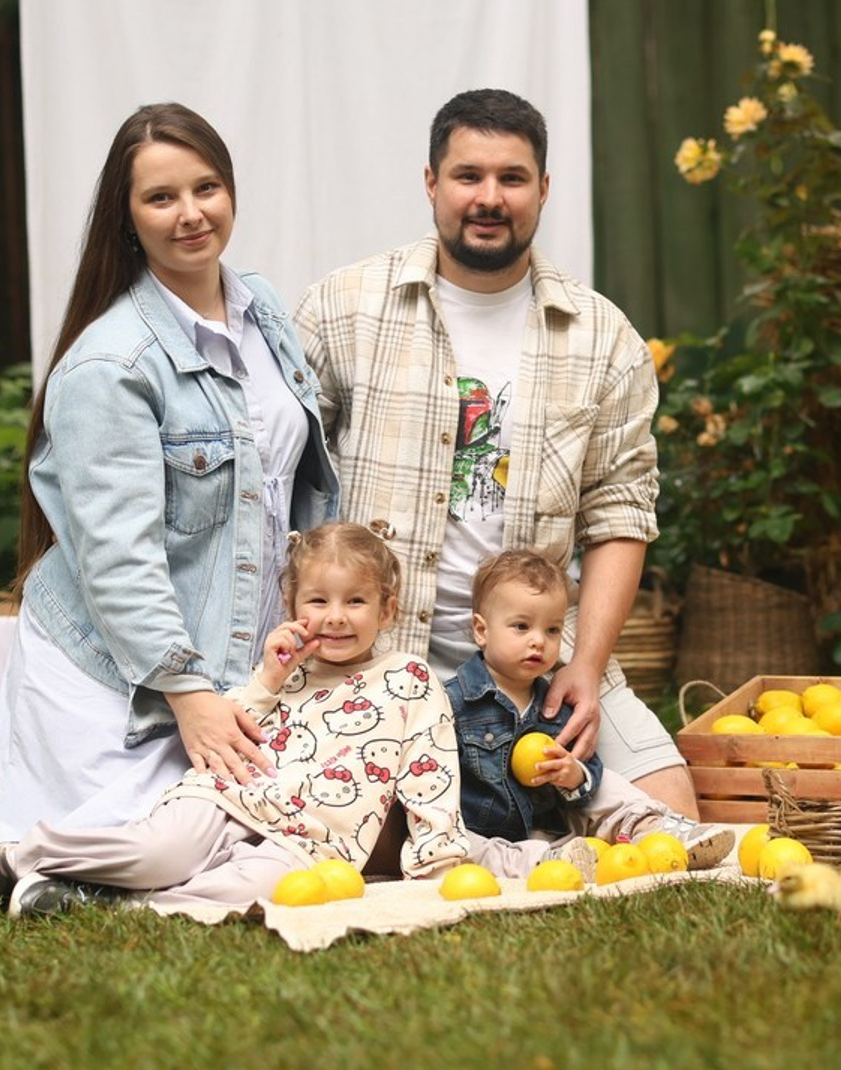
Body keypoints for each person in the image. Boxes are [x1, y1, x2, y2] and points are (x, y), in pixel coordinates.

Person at [294, 87, 698, 817]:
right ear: (430, 183)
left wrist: (586, 664)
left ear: (543, 189)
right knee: (372, 834)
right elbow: (279, 478)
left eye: (511, 179)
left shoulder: (603, 339)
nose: (489, 198)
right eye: (467, 176)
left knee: (673, 812)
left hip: (534, 658)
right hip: (376, 654)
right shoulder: (344, 308)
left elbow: (621, 515)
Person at [0, 103, 339, 846]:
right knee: (139, 850)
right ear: (128, 218)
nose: (191, 215)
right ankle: (9, 858)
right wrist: (187, 691)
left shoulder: (261, 307)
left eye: (206, 188)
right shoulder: (111, 367)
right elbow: (118, 559)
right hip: (121, 678)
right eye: (160, 198)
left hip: (240, 649)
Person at [0, 522, 468, 916]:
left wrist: (435, 863)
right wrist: (266, 682)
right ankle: (12, 860)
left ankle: (108, 903)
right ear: (292, 606)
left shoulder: (410, 678)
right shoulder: (284, 669)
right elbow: (228, 732)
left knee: (255, 887)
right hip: (226, 797)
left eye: (355, 601)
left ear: (387, 611)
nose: (336, 616)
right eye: (319, 600)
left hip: (308, 837)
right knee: (160, 852)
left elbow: (431, 772)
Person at [446, 550, 732, 879]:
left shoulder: (554, 701)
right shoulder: (453, 702)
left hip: (549, 825)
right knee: (453, 842)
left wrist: (574, 776)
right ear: (482, 630)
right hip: (487, 833)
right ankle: (545, 862)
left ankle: (650, 827)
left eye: (552, 630)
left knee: (608, 783)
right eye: (521, 627)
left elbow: (590, 776)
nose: (538, 641)